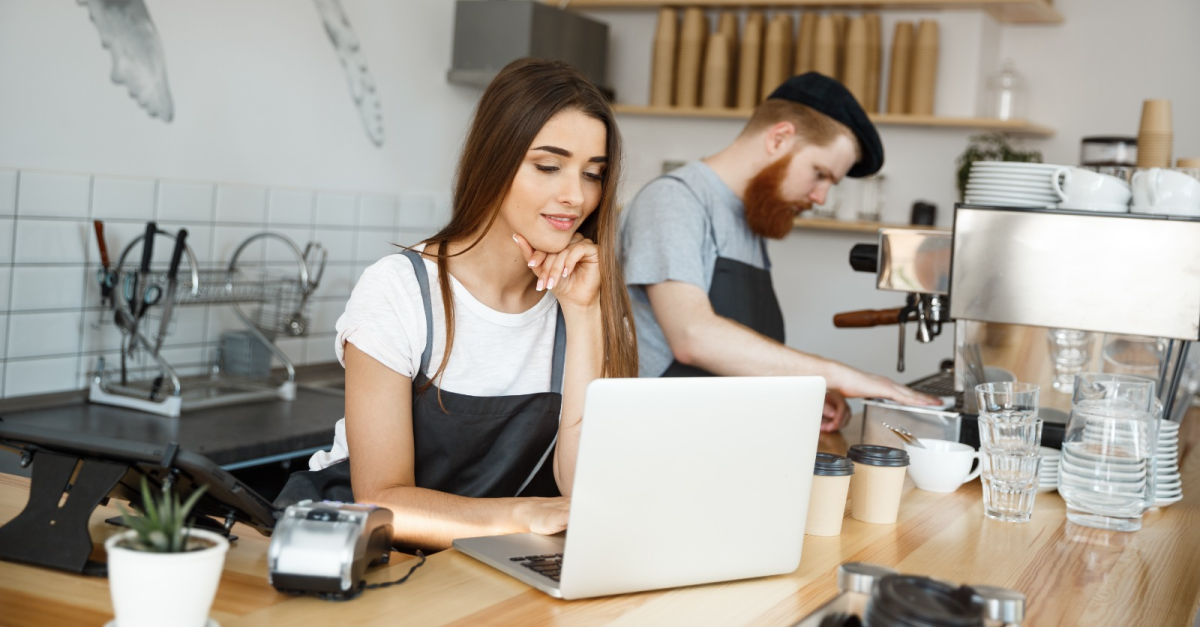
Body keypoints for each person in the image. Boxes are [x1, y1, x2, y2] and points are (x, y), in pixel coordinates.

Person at [276, 58, 637, 551]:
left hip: (484, 563)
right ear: (495, 160)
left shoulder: (587, 299)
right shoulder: (399, 292)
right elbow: (382, 499)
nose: (575, 196)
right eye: (548, 166)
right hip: (360, 554)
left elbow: (583, 492)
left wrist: (583, 314)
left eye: (593, 174)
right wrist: (524, 514)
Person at [619, 73, 938, 432]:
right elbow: (692, 336)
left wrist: (795, 391)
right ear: (779, 137)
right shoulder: (674, 201)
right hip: (658, 438)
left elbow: (739, 353)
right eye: (820, 174)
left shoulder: (747, 218)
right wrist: (835, 375)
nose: (821, 198)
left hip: (721, 438)